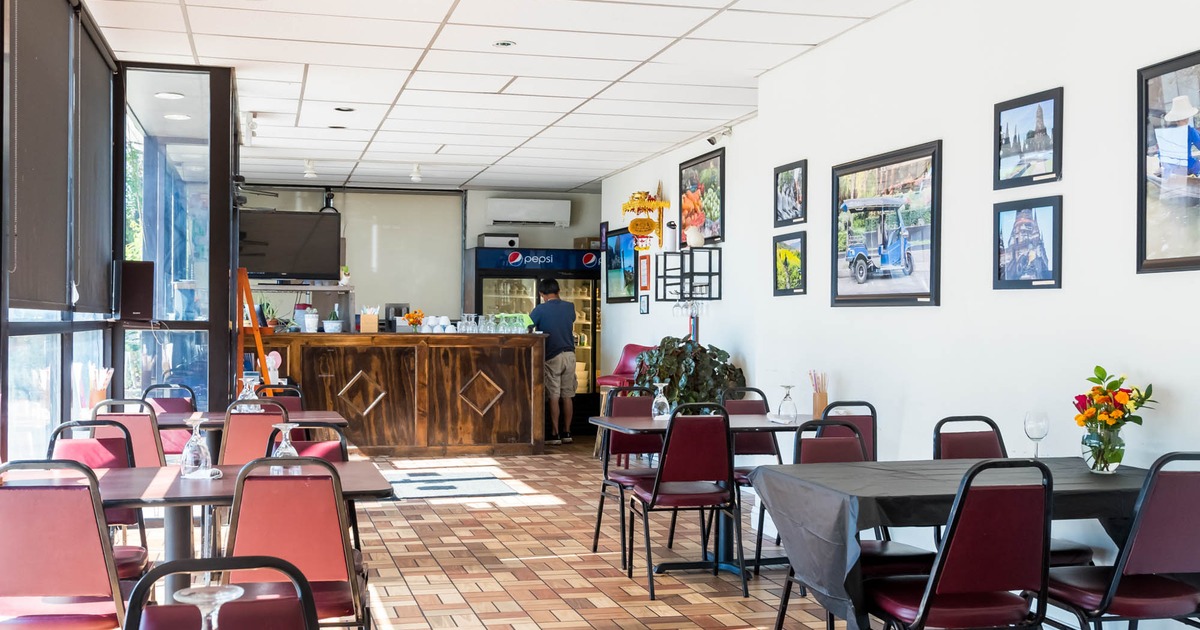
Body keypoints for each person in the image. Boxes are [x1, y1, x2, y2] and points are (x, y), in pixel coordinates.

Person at [530, 277, 576, 446]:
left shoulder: (540, 309)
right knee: (568, 395)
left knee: (554, 396)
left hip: (552, 356)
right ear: (558, 291)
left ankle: (555, 434)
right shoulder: (570, 307)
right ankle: (567, 432)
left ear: (542, 294)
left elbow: (527, 326)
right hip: (570, 355)